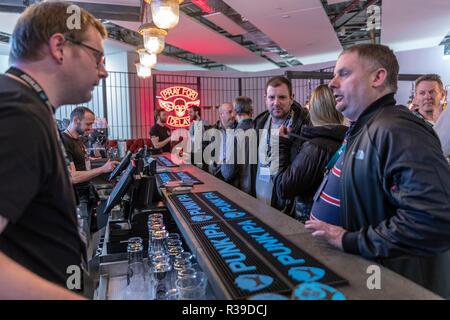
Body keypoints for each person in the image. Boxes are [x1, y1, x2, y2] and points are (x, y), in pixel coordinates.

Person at [305, 44, 450, 298]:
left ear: (378, 77)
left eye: (344, 73)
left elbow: (434, 219)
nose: (332, 83)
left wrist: (350, 240)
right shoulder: (367, 126)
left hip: (394, 287)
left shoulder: (397, 130)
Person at [0, 1, 108, 299]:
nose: (104, 72)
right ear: (59, 46)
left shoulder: (24, 104)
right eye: (98, 57)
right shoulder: (18, 112)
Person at [273, 85, 347, 221]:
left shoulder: (315, 148)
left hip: (310, 225)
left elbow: (283, 188)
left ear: (314, 109)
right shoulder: (347, 140)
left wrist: (281, 145)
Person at [251, 76, 310, 210]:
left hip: (286, 206)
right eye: (271, 97)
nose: (276, 102)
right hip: (258, 201)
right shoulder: (259, 123)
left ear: (292, 98)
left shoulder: (303, 128)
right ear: (265, 98)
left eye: (282, 97)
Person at [62, 106, 118, 239]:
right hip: (76, 198)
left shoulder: (79, 139)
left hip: (86, 194)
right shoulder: (64, 141)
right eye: (88, 124)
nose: (91, 128)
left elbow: (84, 164)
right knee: (84, 239)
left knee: (91, 237)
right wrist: (102, 169)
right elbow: (72, 177)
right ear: (76, 120)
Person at [221, 97, 254, 193]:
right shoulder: (260, 130)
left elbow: (228, 172)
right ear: (252, 110)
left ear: (235, 112)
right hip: (258, 189)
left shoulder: (234, 135)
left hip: (241, 190)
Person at [208, 103, 237, 178]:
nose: (233, 115)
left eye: (234, 112)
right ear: (221, 115)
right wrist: (212, 167)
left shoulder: (239, 129)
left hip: (233, 175)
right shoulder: (213, 131)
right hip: (216, 173)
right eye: (230, 112)